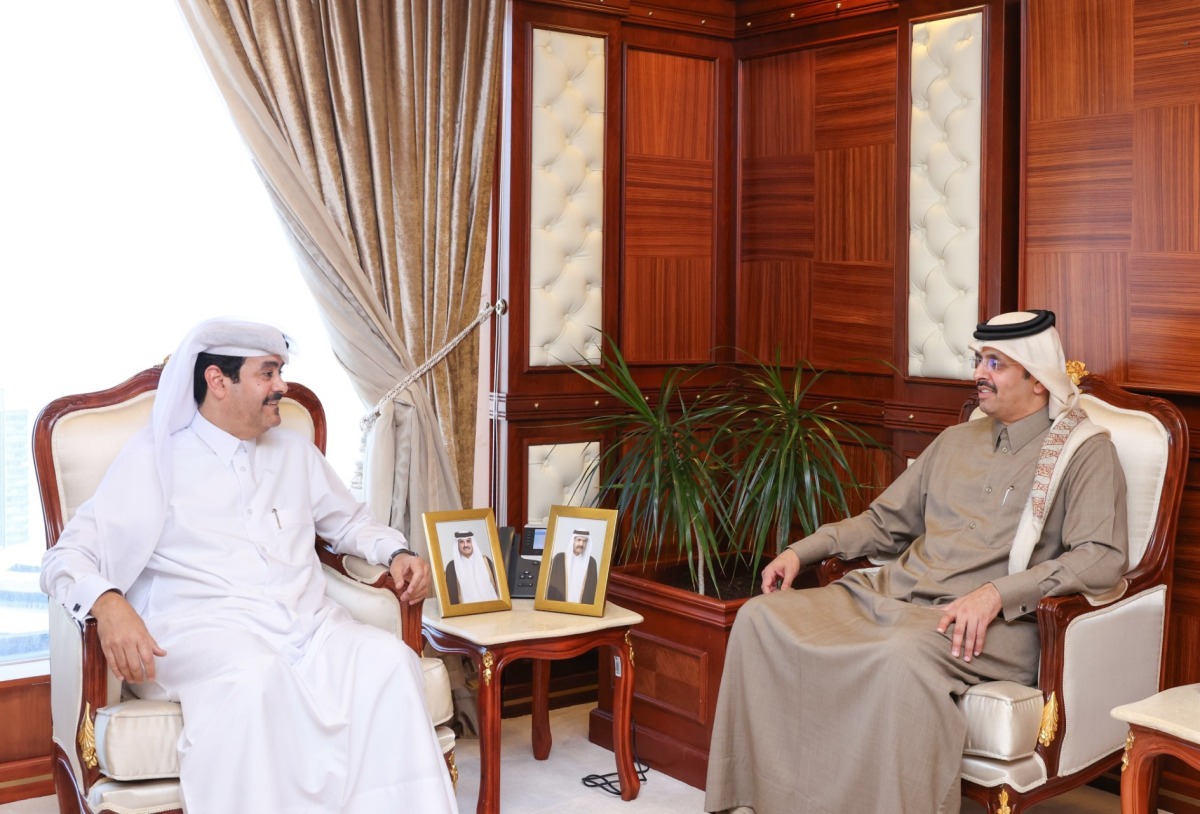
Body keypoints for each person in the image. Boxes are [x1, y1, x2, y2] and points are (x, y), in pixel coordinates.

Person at [704, 310, 1129, 814]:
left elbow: (1102, 558)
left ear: (1038, 379)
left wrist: (998, 593)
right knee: (758, 618)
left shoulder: (1082, 453)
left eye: (996, 363)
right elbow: (884, 522)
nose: (979, 374)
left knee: (900, 656)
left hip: (983, 622)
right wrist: (805, 549)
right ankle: (764, 801)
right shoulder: (955, 440)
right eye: (978, 360)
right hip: (893, 592)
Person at [40, 318, 458, 814]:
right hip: (203, 632)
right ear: (219, 381)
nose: (282, 386)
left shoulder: (295, 452)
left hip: (308, 629)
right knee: (255, 677)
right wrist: (108, 604)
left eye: (280, 371)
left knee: (387, 661)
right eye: (268, 373)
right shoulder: (156, 459)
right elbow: (65, 557)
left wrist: (395, 552)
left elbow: (349, 524)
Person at [444, 529, 499, 603]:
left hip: (492, 609)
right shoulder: (451, 567)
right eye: (461, 542)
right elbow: (451, 596)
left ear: (473, 543)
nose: (465, 545)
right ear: (457, 544)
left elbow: (498, 587)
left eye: (468, 541)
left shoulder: (486, 562)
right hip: (466, 612)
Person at [546, 528, 599, 603]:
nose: (581, 544)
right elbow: (552, 585)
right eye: (579, 540)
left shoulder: (591, 562)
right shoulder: (560, 558)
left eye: (584, 541)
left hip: (581, 609)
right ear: (573, 540)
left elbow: (592, 589)